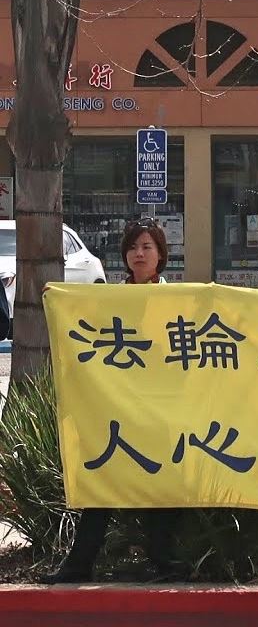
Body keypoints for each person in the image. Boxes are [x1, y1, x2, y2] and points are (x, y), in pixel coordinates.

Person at [43, 217, 183, 584]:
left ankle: (165, 564)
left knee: (159, 486)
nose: (139, 254)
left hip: (157, 411)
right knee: (102, 482)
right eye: (133, 247)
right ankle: (78, 565)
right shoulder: (108, 299)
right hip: (116, 409)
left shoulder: (175, 301)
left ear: (160, 255)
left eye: (147, 247)